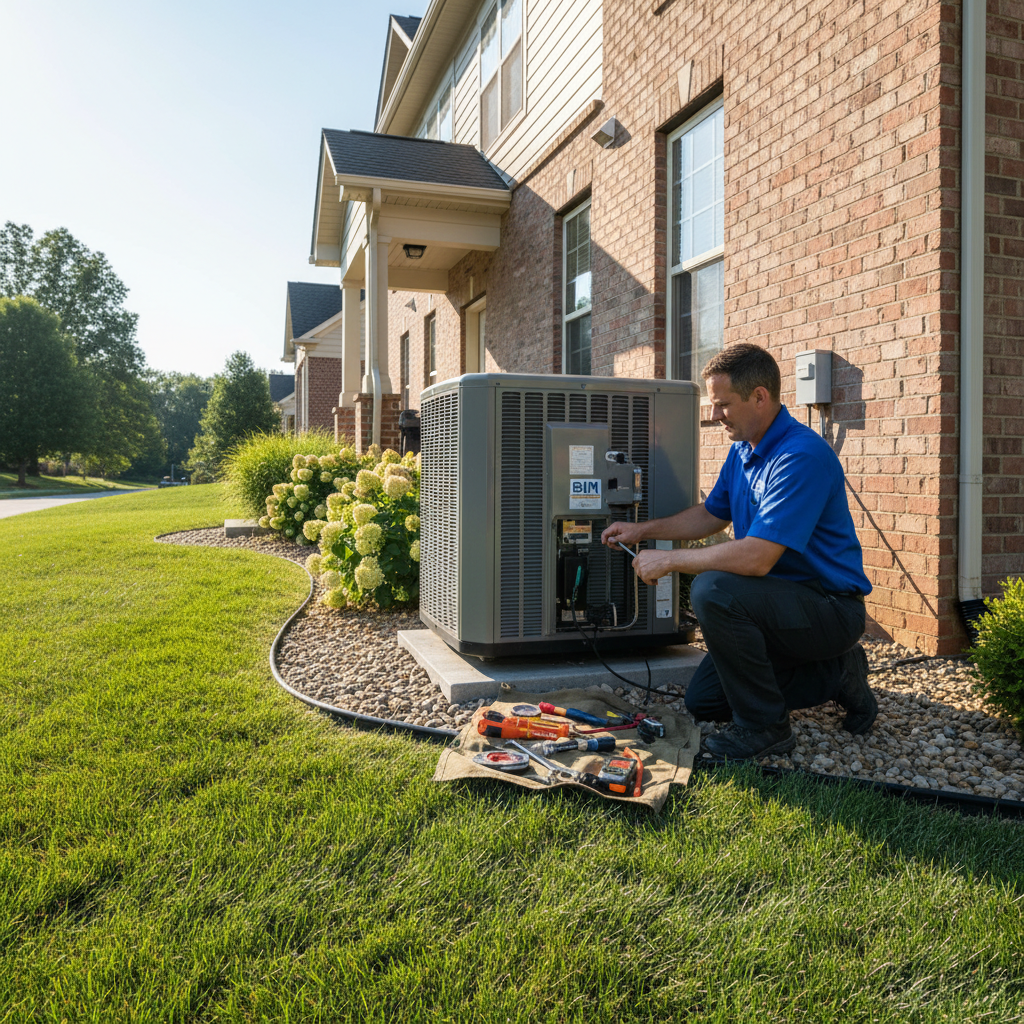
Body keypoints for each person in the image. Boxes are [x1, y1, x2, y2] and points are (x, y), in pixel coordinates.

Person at [601, 343, 876, 760]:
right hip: (774, 604)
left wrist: (671, 560)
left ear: (760, 397)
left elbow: (756, 558)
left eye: (723, 404)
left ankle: (766, 728)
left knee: (714, 591)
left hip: (829, 607)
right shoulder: (744, 450)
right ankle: (838, 673)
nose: (714, 416)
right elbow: (711, 515)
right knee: (706, 702)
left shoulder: (799, 456)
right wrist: (644, 531)